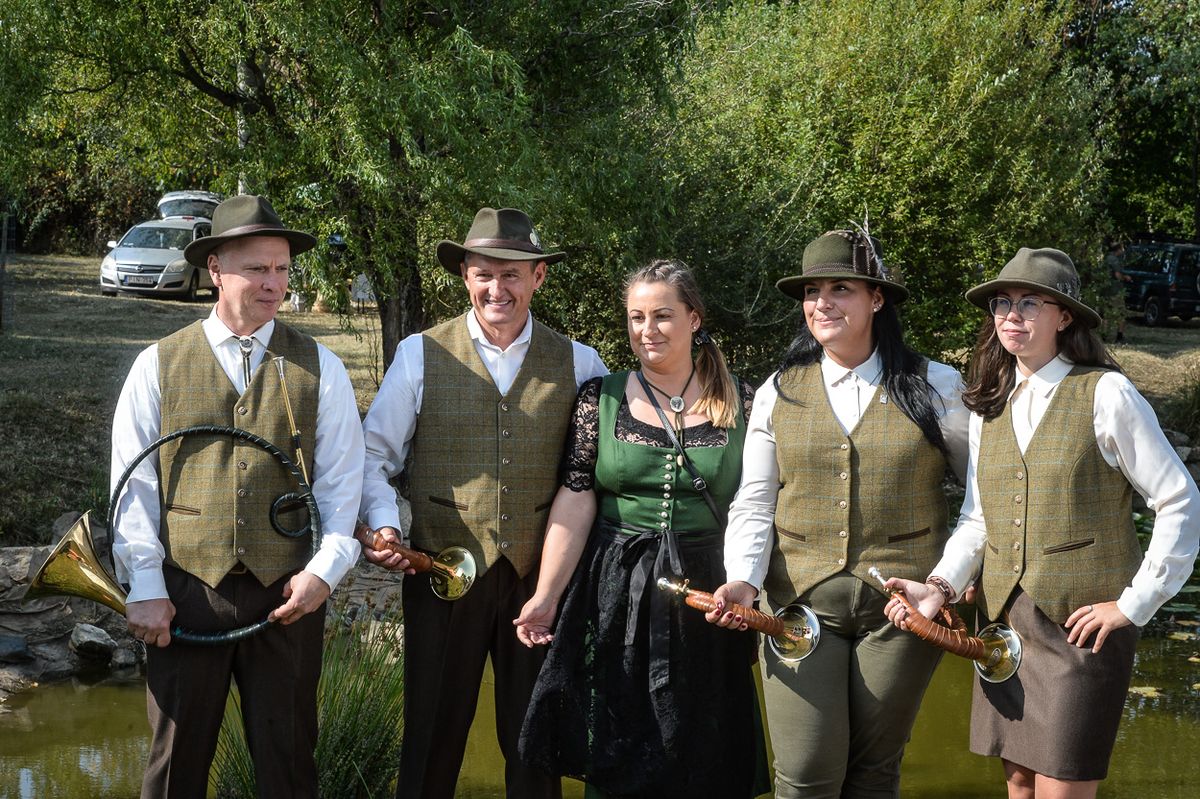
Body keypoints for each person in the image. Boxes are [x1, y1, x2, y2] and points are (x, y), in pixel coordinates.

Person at [883, 247, 1200, 799]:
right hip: (1005, 623)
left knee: (1062, 788)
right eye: (1003, 303)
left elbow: (1179, 499)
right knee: (1020, 786)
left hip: (1082, 624)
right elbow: (980, 516)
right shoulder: (989, 404)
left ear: (1065, 316)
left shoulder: (1106, 393)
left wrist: (1134, 603)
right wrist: (939, 587)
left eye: (1031, 303)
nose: (1012, 314)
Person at [110, 194, 366, 798]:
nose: (273, 283)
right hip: (186, 594)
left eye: (281, 269)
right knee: (174, 768)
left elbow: (340, 485)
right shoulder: (156, 365)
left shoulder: (321, 367)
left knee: (289, 764)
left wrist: (324, 574)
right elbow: (133, 486)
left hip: (288, 596)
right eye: (256, 268)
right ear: (217, 269)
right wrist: (144, 586)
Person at [708, 229, 970, 799]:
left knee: (875, 775)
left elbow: (983, 500)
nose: (822, 302)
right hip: (798, 608)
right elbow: (755, 499)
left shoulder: (937, 385)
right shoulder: (780, 390)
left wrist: (947, 583)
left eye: (841, 288)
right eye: (812, 291)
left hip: (903, 612)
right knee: (804, 776)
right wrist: (743, 579)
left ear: (877, 299)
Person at [358, 207, 606, 799]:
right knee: (431, 736)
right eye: (484, 274)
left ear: (539, 277)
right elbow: (373, 458)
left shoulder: (580, 362)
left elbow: (592, 481)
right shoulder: (420, 354)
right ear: (466, 277)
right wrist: (387, 528)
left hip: (540, 581)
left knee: (535, 742)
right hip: (441, 575)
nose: (498, 289)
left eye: (513, 274)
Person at [514, 259, 768, 798]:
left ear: (695, 319)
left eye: (662, 316)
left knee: (705, 742)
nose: (646, 331)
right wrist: (546, 595)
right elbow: (576, 497)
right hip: (616, 586)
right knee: (617, 735)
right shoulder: (598, 398)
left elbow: (762, 503)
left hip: (711, 591)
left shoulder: (746, 401)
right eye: (635, 317)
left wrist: (752, 585)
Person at [1102, 240, 1129, 344]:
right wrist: (1125, 278)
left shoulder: (1105, 258)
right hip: (1115, 290)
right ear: (1118, 249)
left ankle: (1104, 335)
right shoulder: (1115, 260)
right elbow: (1117, 275)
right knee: (1121, 313)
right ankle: (1120, 336)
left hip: (1105, 290)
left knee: (1106, 313)